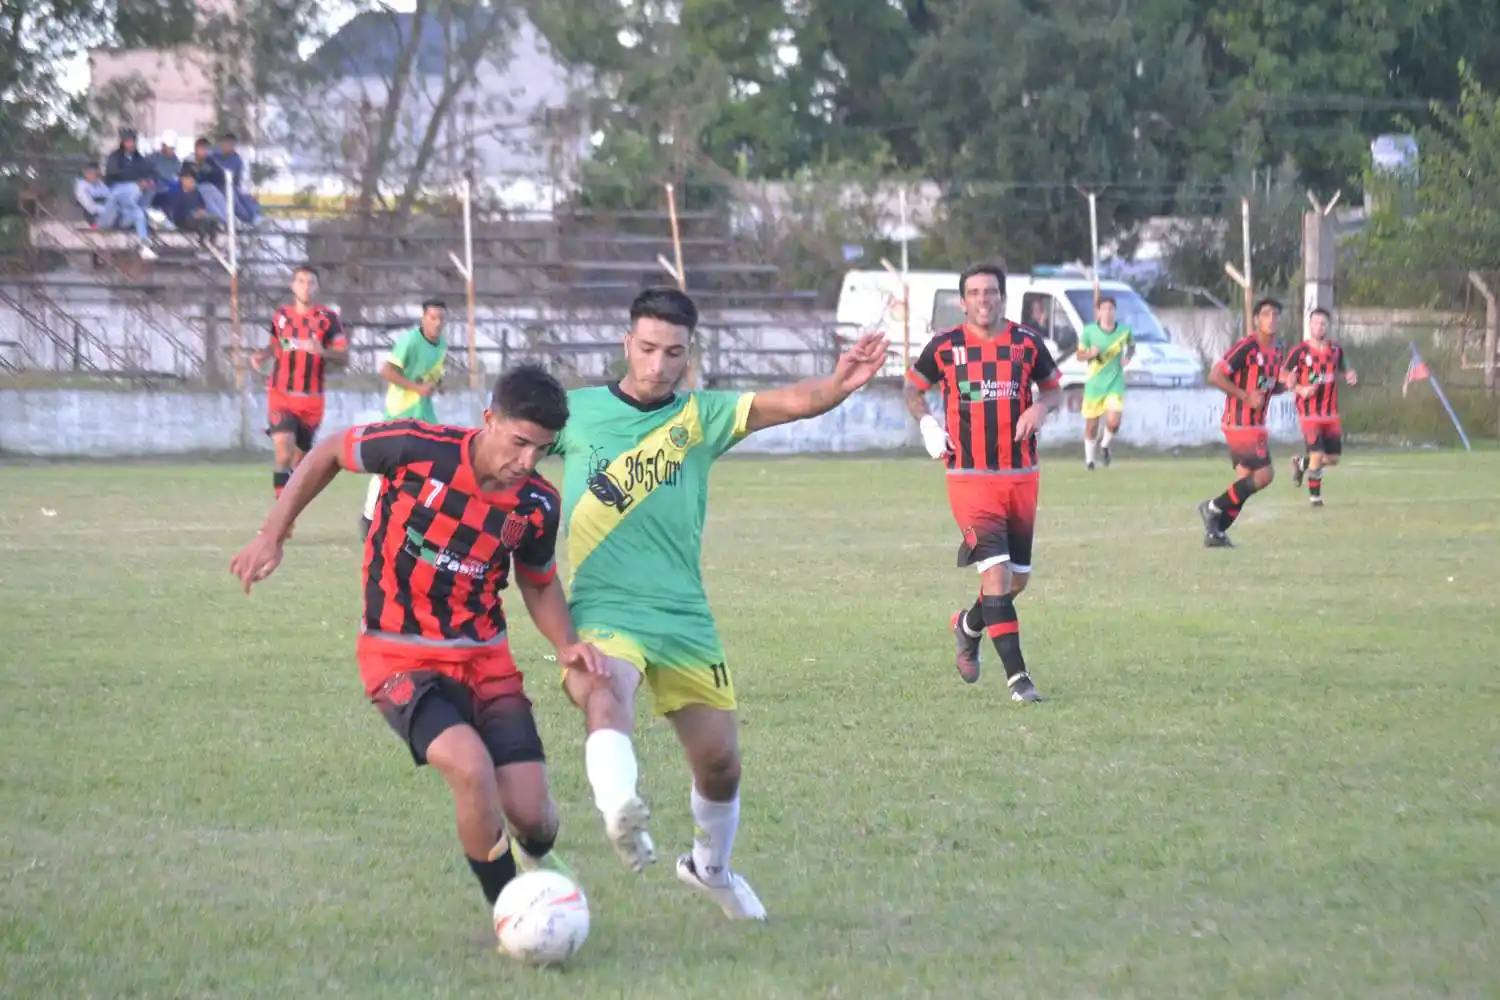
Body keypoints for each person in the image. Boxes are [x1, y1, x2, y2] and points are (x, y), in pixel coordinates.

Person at [552, 286, 887, 920]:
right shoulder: (576, 414)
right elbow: (499, 450)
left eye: (672, 353)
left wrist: (841, 383)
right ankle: (618, 804)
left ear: (688, 355)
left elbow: (790, 402)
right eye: (647, 348)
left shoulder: (702, 417)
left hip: (683, 616)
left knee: (720, 763)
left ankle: (710, 869)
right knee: (604, 689)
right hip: (603, 608)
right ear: (627, 343)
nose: (656, 365)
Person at [227, 365, 603, 914]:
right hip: (397, 656)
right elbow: (330, 450)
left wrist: (567, 642)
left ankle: (535, 859)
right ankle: (511, 911)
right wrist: (271, 534)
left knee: (535, 817)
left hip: (486, 664)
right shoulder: (415, 447)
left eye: (541, 450)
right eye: (519, 443)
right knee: (470, 768)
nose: (526, 462)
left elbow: (538, 581)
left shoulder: (535, 505)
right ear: (489, 420)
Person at [903, 262, 1063, 698]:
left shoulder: (1028, 343)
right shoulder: (944, 347)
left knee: (1015, 582)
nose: (983, 300)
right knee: (995, 577)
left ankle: (968, 625)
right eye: (973, 293)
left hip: (1021, 476)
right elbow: (912, 388)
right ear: (962, 301)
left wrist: (1040, 409)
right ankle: (1019, 681)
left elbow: (1054, 390)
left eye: (990, 292)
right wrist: (928, 425)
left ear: (1002, 297)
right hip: (969, 477)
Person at [250, 265, 348, 502]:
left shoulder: (329, 319)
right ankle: (281, 517)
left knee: (298, 463)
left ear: (317, 287)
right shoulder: (281, 316)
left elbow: (344, 357)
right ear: (293, 286)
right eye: (301, 281)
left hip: (311, 400)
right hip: (281, 394)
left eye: (310, 282)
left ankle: (287, 508)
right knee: (284, 451)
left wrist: (322, 351)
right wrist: (263, 354)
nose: (306, 286)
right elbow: (277, 344)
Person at [1198, 298, 1286, 547]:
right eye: (1266, 314)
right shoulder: (1247, 346)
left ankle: (1216, 532)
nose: (1271, 318)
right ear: (1257, 320)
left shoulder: (1278, 350)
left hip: (1256, 423)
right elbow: (1215, 376)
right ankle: (1212, 507)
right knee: (1264, 475)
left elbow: (1266, 387)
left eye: (1276, 314)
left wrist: (1285, 387)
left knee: (1245, 483)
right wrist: (1246, 396)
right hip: (1239, 423)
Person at [361, 299, 449, 536]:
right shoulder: (410, 340)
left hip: (424, 414)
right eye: (432, 317)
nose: (437, 323)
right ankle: (369, 518)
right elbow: (387, 371)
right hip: (400, 411)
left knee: (435, 465)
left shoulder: (442, 345)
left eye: (441, 318)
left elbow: (429, 376)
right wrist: (415, 388)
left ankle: (416, 518)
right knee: (387, 467)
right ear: (423, 318)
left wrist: (437, 385)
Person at [1282, 308, 1358, 506]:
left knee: (1332, 459)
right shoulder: (1300, 351)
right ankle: (1315, 499)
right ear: (1310, 325)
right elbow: (1283, 374)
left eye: (1323, 323)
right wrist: (1300, 388)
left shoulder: (1336, 350)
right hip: (1309, 413)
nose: (1320, 327)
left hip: (1331, 413)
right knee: (1317, 454)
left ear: (1328, 326)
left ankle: (1301, 463)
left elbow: (1346, 367)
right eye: (1316, 323)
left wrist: (1350, 374)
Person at [1076, 295, 1133, 469]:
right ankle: (1090, 461)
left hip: (1115, 382)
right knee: (1091, 426)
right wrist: (1089, 354)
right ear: (1098, 312)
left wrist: (1127, 357)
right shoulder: (1089, 331)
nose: (1108, 312)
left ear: (1115, 311)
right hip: (1094, 385)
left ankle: (1105, 445)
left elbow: (1131, 345)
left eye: (1111, 309)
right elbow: (1079, 356)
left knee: (1114, 421)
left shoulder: (1124, 330)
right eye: (1104, 309)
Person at [74, 162, 155, 259]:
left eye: (98, 175)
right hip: (98, 220)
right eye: (96, 175)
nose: (98, 177)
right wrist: (111, 207)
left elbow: (110, 197)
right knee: (117, 194)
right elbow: (91, 207)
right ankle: (135, 190)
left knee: (138, 214)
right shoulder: (81, 186)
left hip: (114, 217)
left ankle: (144, 245)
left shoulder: (100, 184)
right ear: (87, 174)